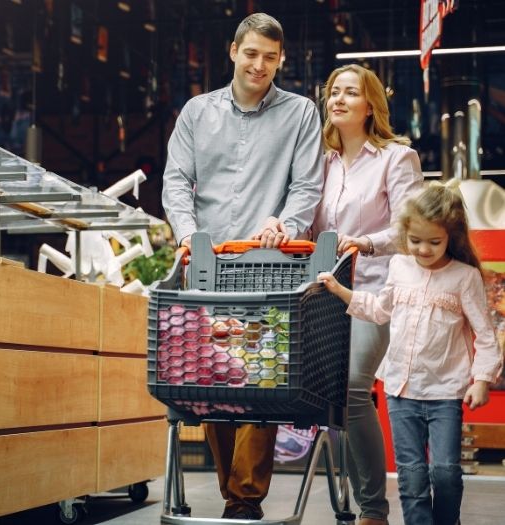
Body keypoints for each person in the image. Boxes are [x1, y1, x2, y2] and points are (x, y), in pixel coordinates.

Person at [161, 12, 324, 520]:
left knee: (261, 378)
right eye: (251, 54)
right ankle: (236, 493)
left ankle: (245, 498)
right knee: (214, 380)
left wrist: (286, 222)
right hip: (209, 269)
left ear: (281, 61)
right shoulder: (196, 112)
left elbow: (307, 186)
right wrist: (189, 237)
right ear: (233, 51)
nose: (260, 65)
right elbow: (176, 182)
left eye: (270, 58)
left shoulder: (300, 113)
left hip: (272, 266)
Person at [318, 181, 503, 525]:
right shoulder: (400, 267)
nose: (423, 249)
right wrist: (341, 290)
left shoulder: (464, 277)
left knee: (446, 472)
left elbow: (486, 335)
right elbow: (379, 309)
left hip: (446, 391)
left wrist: (481, 380)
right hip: (400, 390)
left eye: (434, 242)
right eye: (415, 240)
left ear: (453, 236)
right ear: (405, 233)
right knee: (412, 476)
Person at [310, 64, 424, 525]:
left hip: (376, 288)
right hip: (322, 292)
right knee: (329, 395)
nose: (337, 99)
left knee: (355, 389)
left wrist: (366, 242)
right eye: (333, 92)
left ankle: (373, 510)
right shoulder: (318, 160)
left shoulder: (397, 158)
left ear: (370, 104)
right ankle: (355, 501)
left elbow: (410, 227)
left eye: (350, 93)